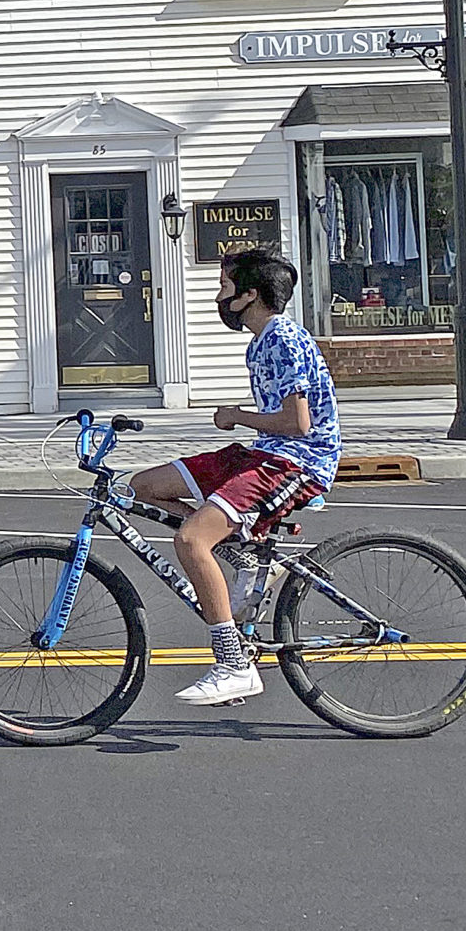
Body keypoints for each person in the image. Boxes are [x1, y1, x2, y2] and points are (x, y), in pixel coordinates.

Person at [126, 248, 341, 707]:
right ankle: (242, 557)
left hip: (295, 463)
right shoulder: (262, 341)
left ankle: (233, 664)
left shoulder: (283, 338)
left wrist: (237, 415)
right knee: (143, 487)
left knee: (189, 541)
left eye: (225, 288)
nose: (219, 297)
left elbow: (299, 424)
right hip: (263, 453)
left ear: (250, 295)